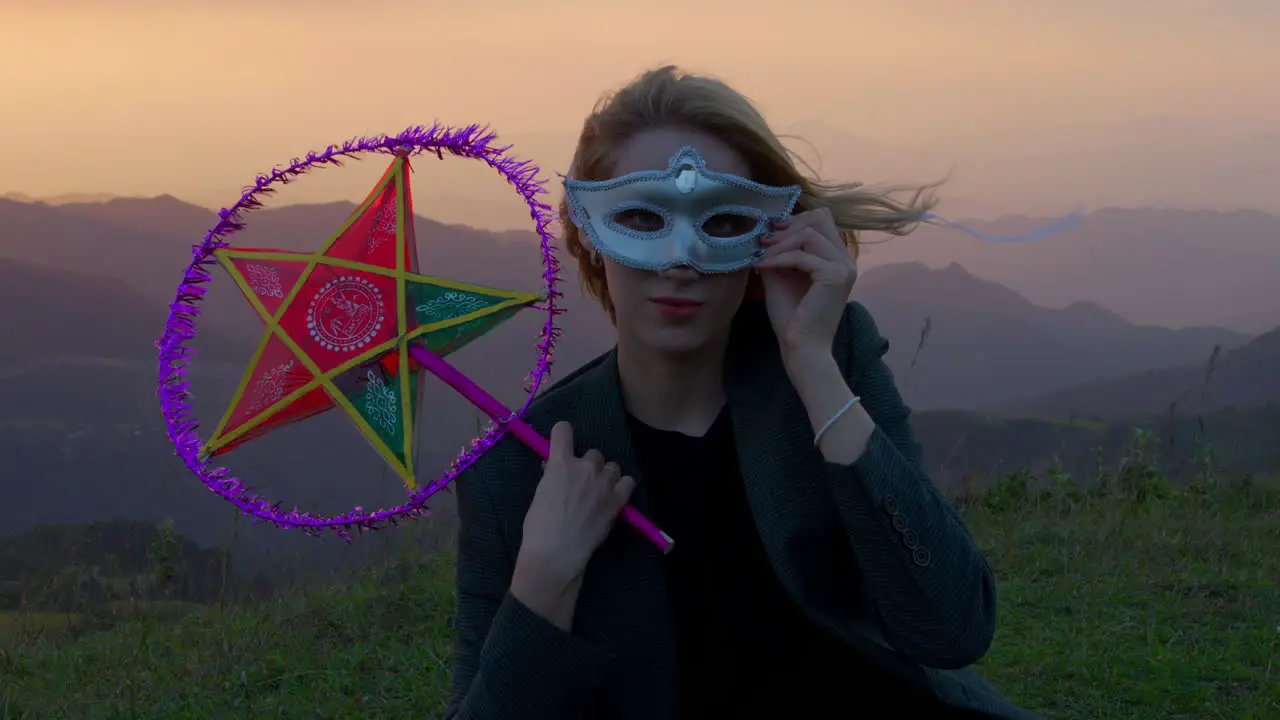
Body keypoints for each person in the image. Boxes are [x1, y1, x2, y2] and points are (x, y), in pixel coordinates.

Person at [445, 65, 1039, 720]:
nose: (681, 258)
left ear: (772, 232)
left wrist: (813, 368)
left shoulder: (828, 362)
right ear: (585, 227)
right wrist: (543, 578)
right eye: (640, 215)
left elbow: (952, 629)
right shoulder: (514, 472)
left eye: (723, 223)